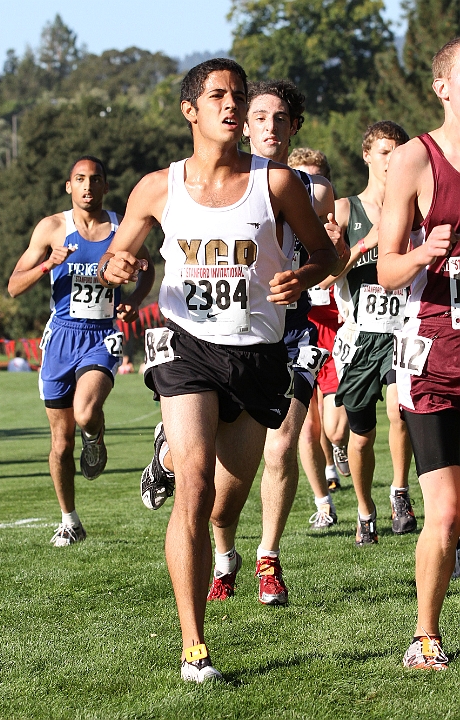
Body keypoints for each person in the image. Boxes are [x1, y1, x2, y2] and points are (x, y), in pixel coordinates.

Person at [96, 59, 343, 682]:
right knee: (196, 486)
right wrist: (119, 271)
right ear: (191, 111)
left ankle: (183, 473)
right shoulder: (158, 187)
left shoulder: (278, 183)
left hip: (257, 353)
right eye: (218, 96)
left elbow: (325, 256)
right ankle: (194, 645)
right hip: (185, 345)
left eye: (238, 96)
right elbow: (121, 260)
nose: (231, 106)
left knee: (223, 507)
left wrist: (302, 277)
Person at [140, 80, 349, 611]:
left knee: (278, 449)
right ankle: (218, 555)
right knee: (201, 483)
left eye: (281, 118)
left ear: (294, 126)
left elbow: (328, 258)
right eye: (260, 116)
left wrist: (313, 271)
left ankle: (269, 557)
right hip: (202, 336)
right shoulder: (204, 180)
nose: (269, 127)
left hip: (287, 329)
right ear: (244, 124)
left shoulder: (310, 188)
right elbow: (144, 254)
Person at [8, 156, 154, 547]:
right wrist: (46, 266)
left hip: (101, 335)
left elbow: (147, 267)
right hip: (60, 338)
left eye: (95, 179)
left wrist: (136, 299)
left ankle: (96, 433)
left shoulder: (122, 227)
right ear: (69, 186)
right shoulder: (53, 228)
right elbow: (13, 285)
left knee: (85, 411)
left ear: (105, 186)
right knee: (60, 443)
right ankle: (69, 520)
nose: (88, 186)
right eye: (80, 179)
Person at [377, 37, 460, 671]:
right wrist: (424, 254)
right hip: (435, 358)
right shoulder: (415, 158)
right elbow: (386, 271)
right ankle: (425, 634)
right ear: (442, 86)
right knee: (448, 510)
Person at [331, 121, 415, 546]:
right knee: (360, 436)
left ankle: (400, 491)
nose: (392, 158)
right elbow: (327, 275)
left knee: (401, 409)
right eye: (384, 151)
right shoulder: (347, 210)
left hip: (405, 329)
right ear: (367, 155)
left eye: (398, 150)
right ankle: (365, 510)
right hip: (362, 334)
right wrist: (365, 245)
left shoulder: (415, 205)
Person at [288, 147, 350, 490]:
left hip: (334, 332)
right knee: (305, 427)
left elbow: (341, 270)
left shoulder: (338, 222)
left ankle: (336, 451)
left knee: (333, 427)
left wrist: (339, 251)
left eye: (313, 180)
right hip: (297, 330)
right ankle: (322, 502)